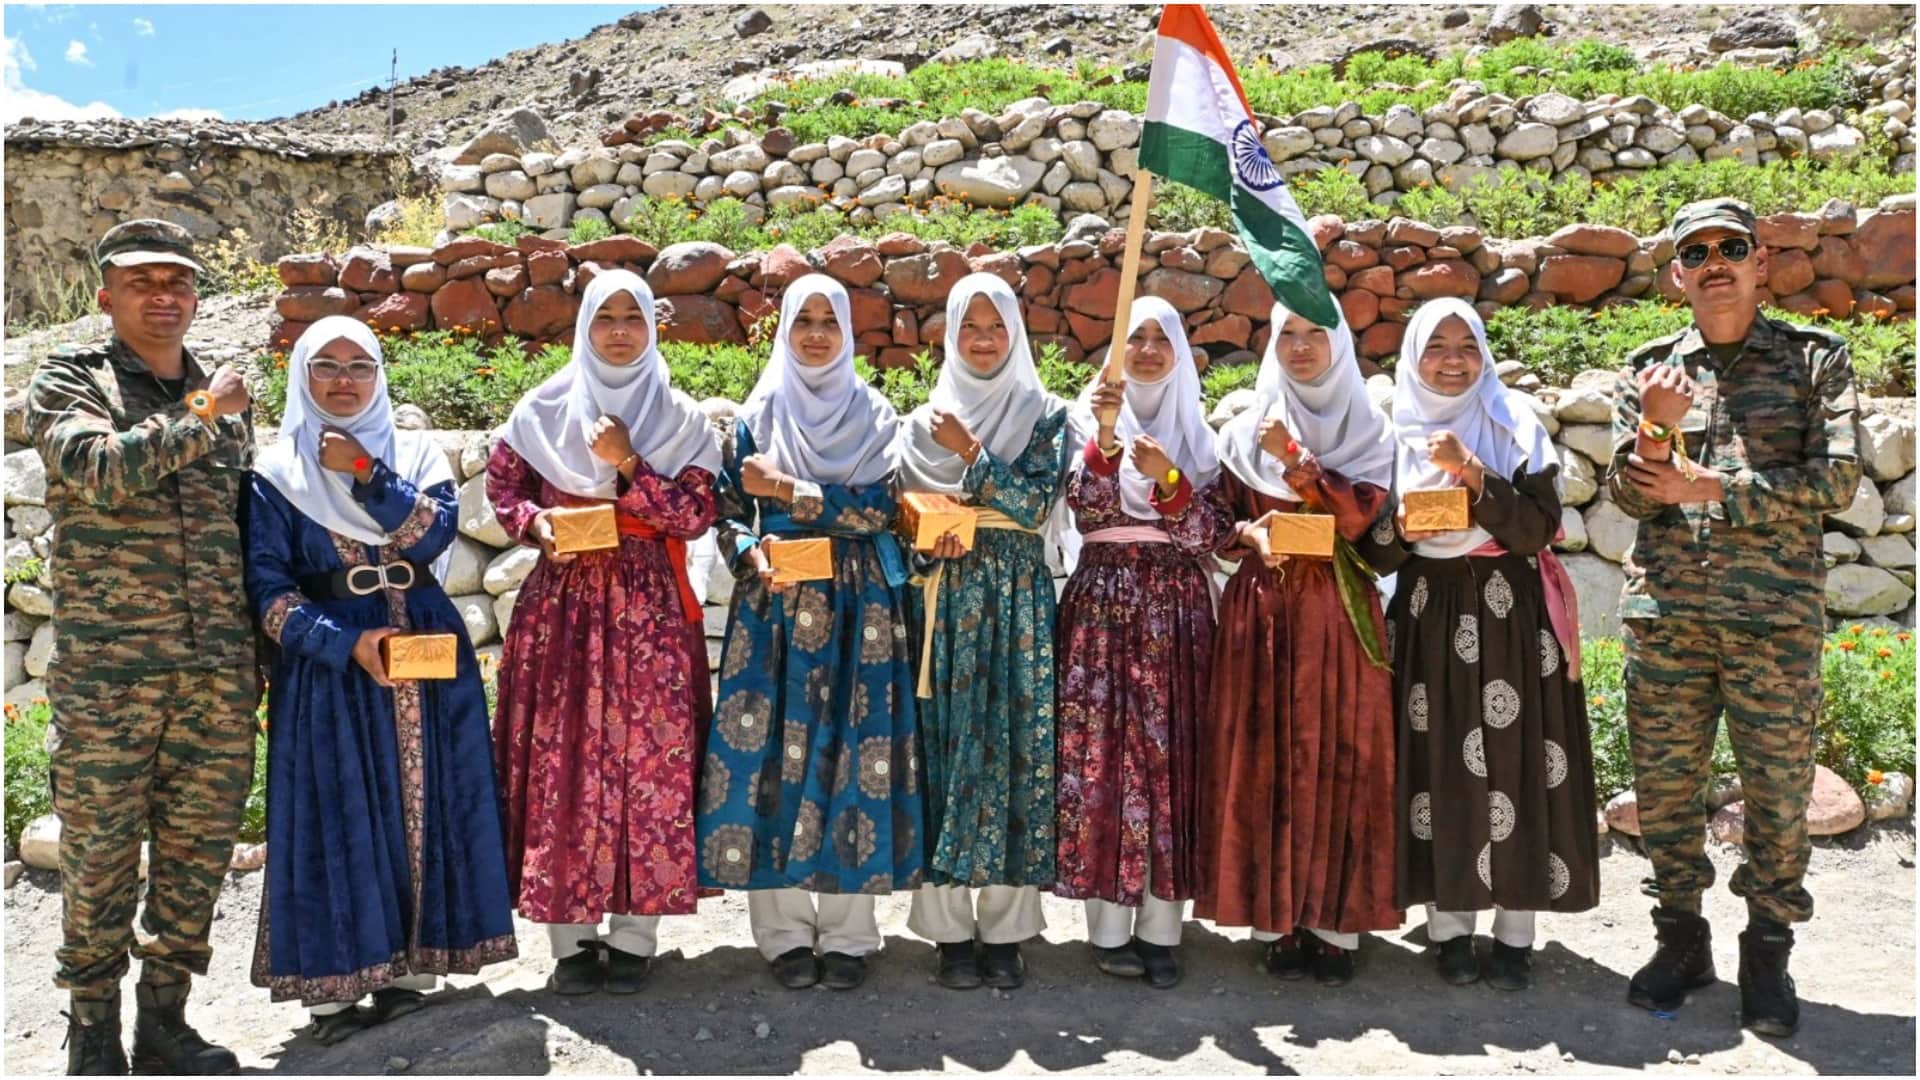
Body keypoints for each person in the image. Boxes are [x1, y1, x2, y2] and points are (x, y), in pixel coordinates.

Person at [1606, 198, 1861, 1038]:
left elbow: (1838, 480)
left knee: (1778, 795)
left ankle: (1768, 947)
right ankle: (1681, 939)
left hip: (1775, 621)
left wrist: (1716, 487)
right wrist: (1656, 431)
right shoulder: (1652, 369)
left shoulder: (1814, 359)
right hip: (1668, 617)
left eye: (1733, 247)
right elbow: (1625, 491)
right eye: (1696, 251)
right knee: (1667, 792)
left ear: (1760, 265)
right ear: (1677, 273)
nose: (1715, 260)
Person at [27, 221, 257, 1075]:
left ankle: (166, 1021)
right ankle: (92, 1030)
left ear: (195, 296)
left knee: (197, 857)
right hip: (111, 678)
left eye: (178, 282)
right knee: (99, 857)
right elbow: (95, 468)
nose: (163, 296)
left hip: (216, 675)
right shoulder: (70, 381)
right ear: (106, 297)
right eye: (142, 282)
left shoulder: (223, 398)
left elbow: (244, 532)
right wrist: (201, 413)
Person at [246, 318, 516, 1043]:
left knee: (429, 802)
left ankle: (407, 976)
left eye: (360, 366)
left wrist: (367, 473)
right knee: (337, 811)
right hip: (334, 670)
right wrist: (343, 642)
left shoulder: (414, 453)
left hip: (427, 653)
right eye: (326, 366)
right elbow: (267, 589)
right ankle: (334, 992)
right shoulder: (276, 474)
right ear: (301, 376)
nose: (343, 380)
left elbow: (432, 537)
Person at [488, 271, 721, 995]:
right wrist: (537, 524)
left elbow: (694, 514)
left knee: (648, 763)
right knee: (566, 762)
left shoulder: (680, 417)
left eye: (633, 318)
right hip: (564, 609)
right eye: (604, 318)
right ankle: (570, 941)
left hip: (649, 610)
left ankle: (634, 936)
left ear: (652, 329)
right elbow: (504, 489)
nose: (619, 330)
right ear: (583, 327)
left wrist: (626, 464)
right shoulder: (542, 410)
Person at [696, 274, 921, 993]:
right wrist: (751, 554)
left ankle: (851, 935)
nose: (818, 333)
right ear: (785, 331)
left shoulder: (878, 414)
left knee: (859, 756)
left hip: (863, 613)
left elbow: (883, 512)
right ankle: (785, 934)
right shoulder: (756, 418)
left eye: (831, 320)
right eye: (805, 321)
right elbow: (726, 510)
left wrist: (795, 494)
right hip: (777, 608)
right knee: (771, 762)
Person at [1381, 298, 1599, 992]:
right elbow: (1374, 550)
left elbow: (1537, 530)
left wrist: (1473, 473)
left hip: (1509, 614)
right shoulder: (1390, 433)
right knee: (1442, 763)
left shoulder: (1517, 427)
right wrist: (1403, 533)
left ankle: (1515, 934)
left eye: (1465, 345)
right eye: (1435, 346)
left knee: (1516, 762)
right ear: (1413, 358)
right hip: (1428, 615)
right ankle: (1450, 929)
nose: (1451, 361)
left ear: (1484, 354)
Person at [1195, 302, 1403, 986]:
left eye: (1318, 334)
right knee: (1268, 752)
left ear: (1342, 345)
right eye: (1287, 333)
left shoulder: (1369, 430)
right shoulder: (1241, 431)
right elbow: (1216, 520)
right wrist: (1246, 537)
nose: (1302, 347)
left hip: (1338, 612)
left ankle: (1336, 927)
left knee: (1341, 751)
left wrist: (1300, 464)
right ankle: (1277, 920)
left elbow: (1354, 524)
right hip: (1264, 613)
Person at [896, 273, 1071, 991]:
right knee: (942, 751)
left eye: (996, 326)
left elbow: (1033, 507)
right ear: (950, 335)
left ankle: (1007, 930)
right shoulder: (917, 423)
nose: (983, 339)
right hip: (943, 601)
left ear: (1016, 334)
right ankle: (947, 933)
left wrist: (971, 454)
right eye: (970, 326)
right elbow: (896, 514)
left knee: (1016, 751)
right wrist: (921, 537)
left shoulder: (1046, 414)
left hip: (1018, 599)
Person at [1054, 297, 1231, 990]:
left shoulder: (1200, 436)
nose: (1150, 351)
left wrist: (1169, 478)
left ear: (1183, 355)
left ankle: (1163, 928)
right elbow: (1088, 508)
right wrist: (1103, 439)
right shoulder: (1084, 423)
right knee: (1101, 760)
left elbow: (1209, 535)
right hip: (1100, 610)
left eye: (1163, 340)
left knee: (1171, 762)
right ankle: (1106, 928)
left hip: (1178, 615)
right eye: (1136, 338)